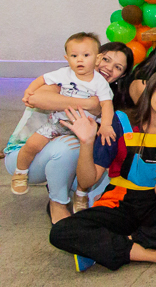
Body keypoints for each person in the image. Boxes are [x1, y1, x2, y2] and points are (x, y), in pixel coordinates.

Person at [49, 69, 156, 271]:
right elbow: (87, 181)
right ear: (150, 92)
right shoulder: (120, 121)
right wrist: (87, 142)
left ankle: (105, 248)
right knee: (61, 231)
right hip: (120, 200)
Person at [5, 42, 133, 222]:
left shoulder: (107, 96)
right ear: (95, 56)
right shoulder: (69, 78)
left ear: (123, 75)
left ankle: (74, 191)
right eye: (106, 59)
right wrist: (89, 104)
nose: (108, 68)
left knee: (102, 199)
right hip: (27, 156)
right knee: (70, 145)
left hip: (72, 160)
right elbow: (36, 98)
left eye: (118, 67)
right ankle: (57, 203)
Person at [12, 33, 115, 197]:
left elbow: (106, 104)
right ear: (67, 58)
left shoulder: (99, 82)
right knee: (32, 144)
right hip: (58, 123)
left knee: (84, 161)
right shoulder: (64, 73)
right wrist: (29, 90)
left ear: (97, 59)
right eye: (74, 56)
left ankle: (81, 193)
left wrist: (106, 125)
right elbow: (42, 79)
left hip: (83, 129)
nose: (79, 60)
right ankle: (20, 172)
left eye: (86, 55)